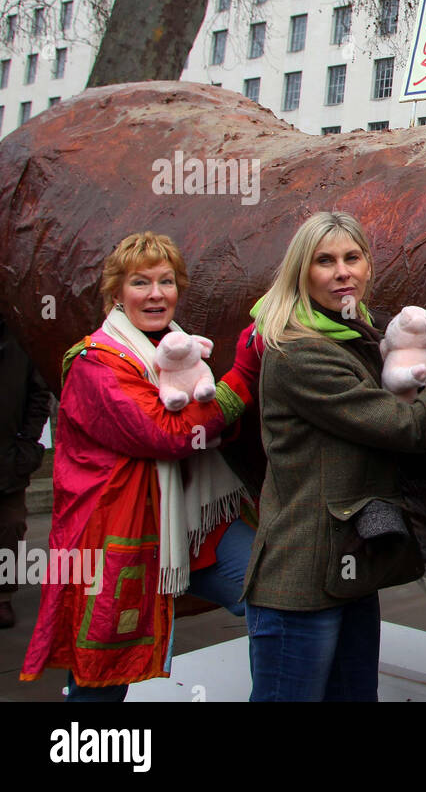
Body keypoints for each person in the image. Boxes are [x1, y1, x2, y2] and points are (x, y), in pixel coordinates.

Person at [243, 210, 426, 701]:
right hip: (301, 580)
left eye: (352, 257)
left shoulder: (359, 336)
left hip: (346, 568)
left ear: (369, 266)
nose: (342, 271)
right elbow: (409, 427)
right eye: (324, 261)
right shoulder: (301, 353)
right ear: (301, 273)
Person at [20, 232, 261, 700]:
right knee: (103, 675)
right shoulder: (96, 363)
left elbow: (210, 431)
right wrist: (243, 377)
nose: (156, 293)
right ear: (116, 294)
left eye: (166, 281)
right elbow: (166, 435)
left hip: (195, 521)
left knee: (271, 592)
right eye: (140, 282)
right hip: (117, 535)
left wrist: (217, 414)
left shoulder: (183, 350)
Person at [0, 313, 53, 630]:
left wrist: (26, 443)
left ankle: (2, 597)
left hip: (7, 457)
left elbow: (38, 393)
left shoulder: (18, 335)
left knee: (10, 525)